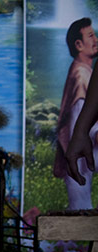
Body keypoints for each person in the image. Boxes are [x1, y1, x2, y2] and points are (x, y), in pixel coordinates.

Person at [55, 17, 98, 210]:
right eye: (91, 36)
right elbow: (77, 118)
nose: (96, 39)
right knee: (81, 204)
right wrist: (82, 133)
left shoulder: (84, 71)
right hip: (83, 154)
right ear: (79, 44)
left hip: (82, 150)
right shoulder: (81, 74)